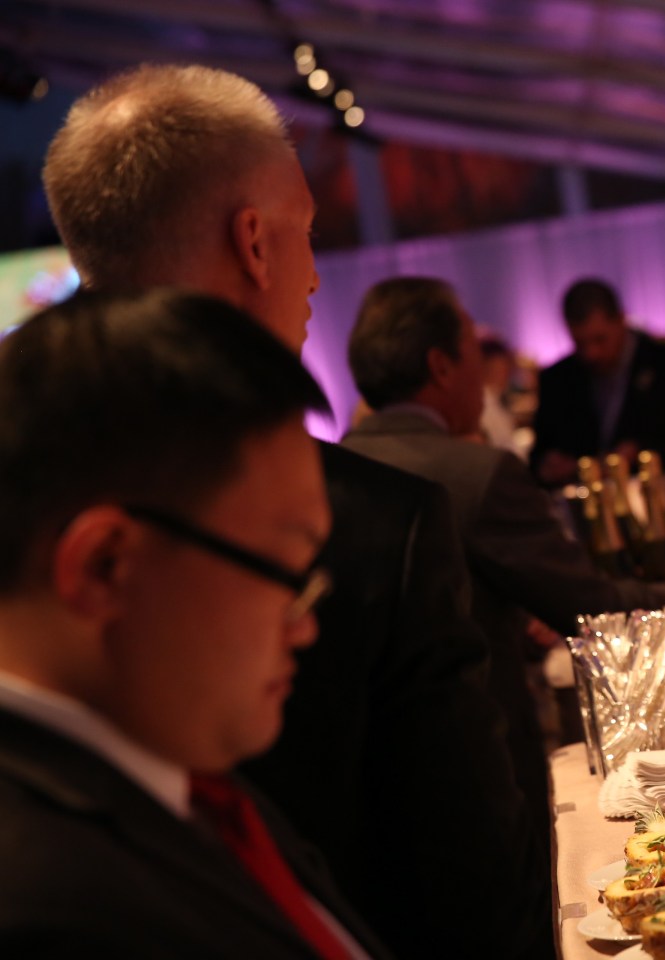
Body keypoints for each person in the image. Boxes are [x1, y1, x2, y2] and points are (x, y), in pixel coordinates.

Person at [42, 64, 549, 959]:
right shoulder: (371, 520)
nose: (316, 275)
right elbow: (473, 880)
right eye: (309, 233)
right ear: (254, 243)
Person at [0, 289, 392, 958]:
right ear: (106, 568)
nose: (305, 628)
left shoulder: (173, 755)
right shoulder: (50, 908)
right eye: (288, 573)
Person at [342, 277, 665, 810]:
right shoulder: (476, 475)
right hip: (479, 770)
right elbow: (587, 603)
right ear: (440, 366)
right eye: (472, 352)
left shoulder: (323, 472)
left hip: (367, 778)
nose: (483, 371)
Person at [531, 277, 665, 485]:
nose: (591, 353)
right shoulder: (556, 380)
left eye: (600, 340)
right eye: (580, 343)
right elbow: (537, 458)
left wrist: (643, 451)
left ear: (621, 320)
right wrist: (548, 465)